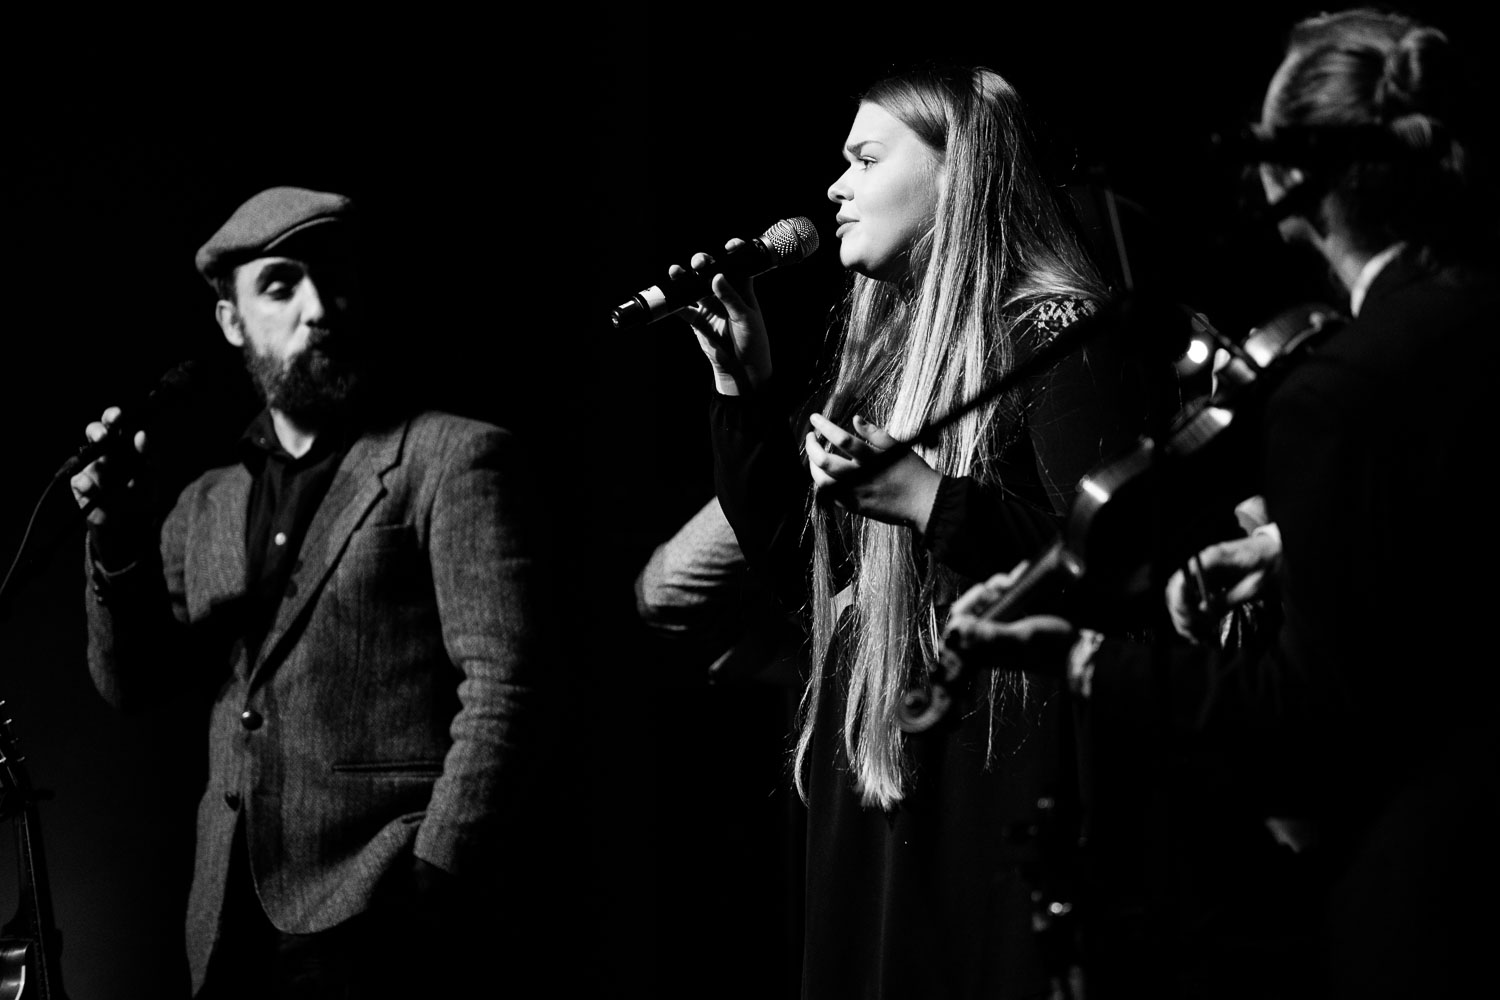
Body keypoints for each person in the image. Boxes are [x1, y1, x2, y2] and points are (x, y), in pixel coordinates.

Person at [947, 9, 1497, 996]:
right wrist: (1287, 545)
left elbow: (1306, 715)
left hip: (1432, 886)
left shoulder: (1337, 392)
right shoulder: (1481, 319)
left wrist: (1080, 658)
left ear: (1289, 179)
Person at [676, 64, 1175, 996]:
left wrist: (934, 500)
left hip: (990, 770)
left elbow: (1122, 578)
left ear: (959, 172)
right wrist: (743, 389)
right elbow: (805, 575)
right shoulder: (887, 352)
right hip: (883, 752)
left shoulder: (1059, 331)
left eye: (865, 159)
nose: (836, 188)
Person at [70, 187, 551, 998]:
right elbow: (131, 682)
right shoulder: (206, 502)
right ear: (232, 322)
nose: (319, 307)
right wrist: (115, 537)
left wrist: (434, 876)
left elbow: (509, 687)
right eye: (281, 284)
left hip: (384, 915)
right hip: (226, 924)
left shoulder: (452, 458)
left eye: (334, 278)